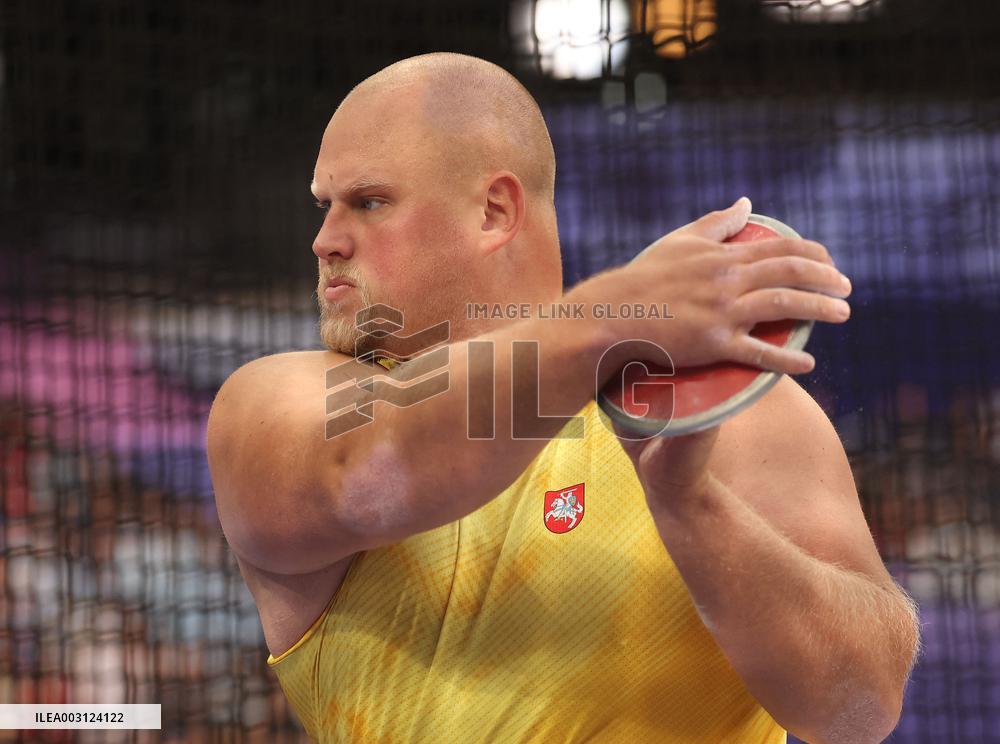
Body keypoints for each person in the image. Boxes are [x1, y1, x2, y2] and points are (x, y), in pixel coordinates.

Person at [206, 52, 920, 743]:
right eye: (326, 206)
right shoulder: (277, 402)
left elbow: (859, 711)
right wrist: (613, 316)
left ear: (493, 211)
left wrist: (692, 507)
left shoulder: (726, 411)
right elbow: (367, 473)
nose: (325, 240)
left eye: (368, 202)